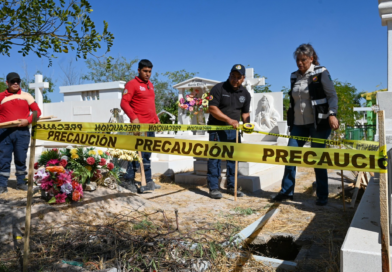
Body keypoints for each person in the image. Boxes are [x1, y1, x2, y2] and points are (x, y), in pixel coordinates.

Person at [273, 44, 339, 206]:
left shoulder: (321, 72)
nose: (300, 63)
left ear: (311, 58)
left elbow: (332, 95)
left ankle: (322, 195)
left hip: (319, 123)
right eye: (298, 60)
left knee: (317, 159)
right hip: (298, 124)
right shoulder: (294, 76)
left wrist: (332, 114)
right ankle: (287, 192)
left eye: (303, 60)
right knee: (290, 156)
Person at [207, 64, 251, 199]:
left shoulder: (245, 94)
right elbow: (212, 108)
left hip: (234, 131)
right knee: (215, 158)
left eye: (238, 77)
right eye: (233, 76)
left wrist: (247, 123)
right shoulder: (218, 89)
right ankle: (214, 188)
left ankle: (232, 186)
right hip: (216, 129)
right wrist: (228, 120)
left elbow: (245, 113)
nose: (235, 79)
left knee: (233, 159)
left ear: (243, 78)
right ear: (229, 75)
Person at [120, 59, 161, 193]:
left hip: (150, 127)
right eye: (145, 71)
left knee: (147, 155)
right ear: (138, 70)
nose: (148, 74)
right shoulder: (132, 84)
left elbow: (151, 106)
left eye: (149, 71)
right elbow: (124, 103)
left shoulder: (150, 85)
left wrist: (156, 120)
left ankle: (148, 181)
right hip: (138, 127)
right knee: (135, 155)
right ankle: (128, 180)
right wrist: (134, 118)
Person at [0, 72, 42, 194]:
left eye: (17, 81)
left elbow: (37, 112)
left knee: (21, 159)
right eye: (12, 81)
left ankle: (21, 183)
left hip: (22, 132)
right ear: (7, 83)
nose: (15, 83)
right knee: (3, 158)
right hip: (4, 132)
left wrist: (28, 120)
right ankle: (2, 185)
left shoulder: (27, 96)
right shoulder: (1, 97)